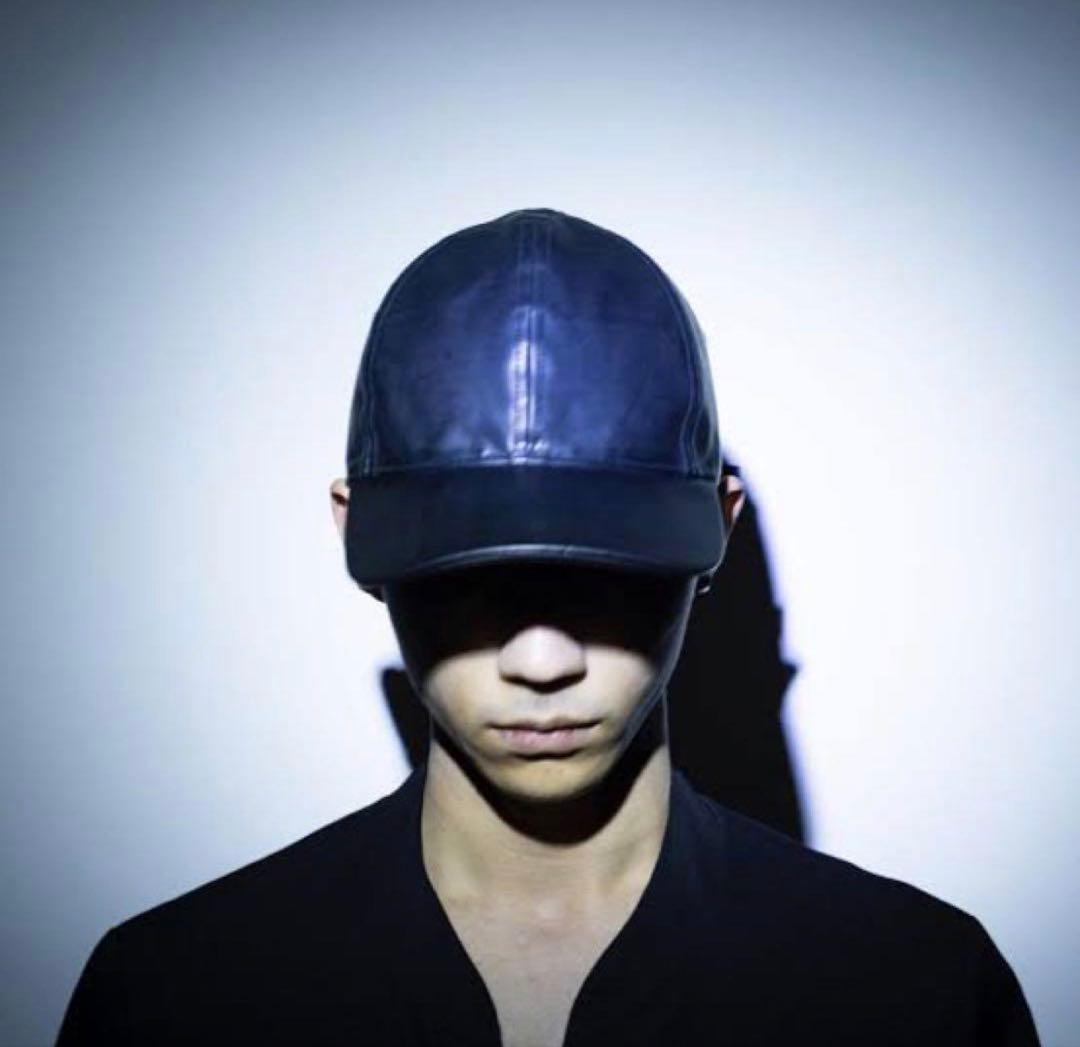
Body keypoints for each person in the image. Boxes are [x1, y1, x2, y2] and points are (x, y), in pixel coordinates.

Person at [56, 208, 1041, 1046]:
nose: (542, 659)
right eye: (471, 577)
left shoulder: (920, 995)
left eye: (609, 577)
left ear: (720, 528)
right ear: (357, 532)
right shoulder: (174, 998)